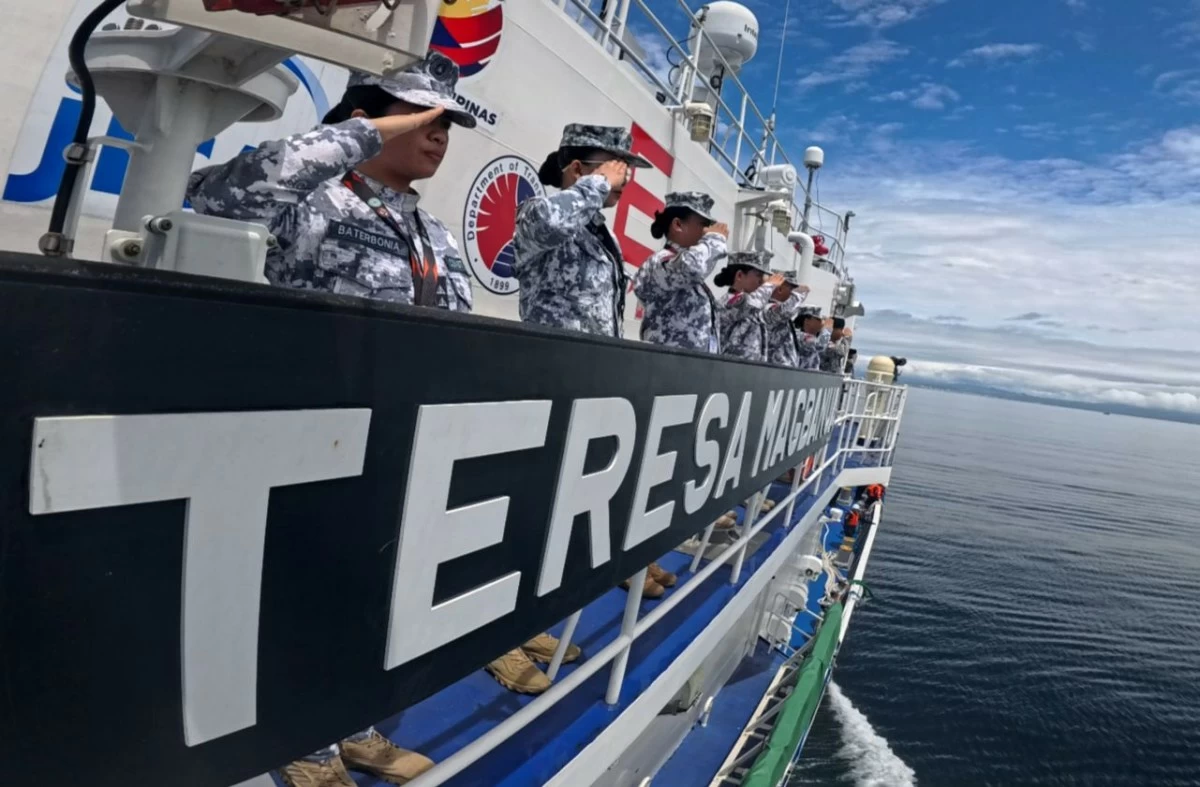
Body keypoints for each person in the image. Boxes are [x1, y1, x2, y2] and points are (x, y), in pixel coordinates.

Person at [186, 53, 575, 786]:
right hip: (312, 443)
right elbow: (218, 198)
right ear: (372, 115)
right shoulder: (314, 199)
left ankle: (353, 726)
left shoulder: (433, 236)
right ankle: (300, 743)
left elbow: (459, 346)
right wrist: (363, 130)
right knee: (304, 595)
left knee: (371, 600)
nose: (439, 137)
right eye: (425, 120)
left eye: (448, 126)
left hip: (404, 449)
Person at [513, 124, 651, 337]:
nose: (622, 179)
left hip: (594, 363)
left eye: (626, 171)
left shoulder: (605, 235)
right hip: (550, 362)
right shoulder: (536, 211)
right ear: (577, 169)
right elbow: (551, 223)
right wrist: (601, 182)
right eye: (615, 168)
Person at [632, 191, 728, 352]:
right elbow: (691, 267)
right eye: (703, 224)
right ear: (678, 225)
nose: (707, 232)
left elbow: (698, 268)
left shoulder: (684, 264)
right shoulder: (661, 262)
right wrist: (715, 239)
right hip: (669, 364)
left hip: (688, 366)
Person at [714, 250, 776, 362]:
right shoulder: (731, 300)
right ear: (739, 275)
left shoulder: (754, 304)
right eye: (758, 275)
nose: (762, 282)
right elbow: (750, 304)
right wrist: (770, 286)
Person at [762, 270, 810, 368]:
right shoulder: (767, 308)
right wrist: (799, 294)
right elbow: (784, 311)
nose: (794, 294)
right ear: (780, 289)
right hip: (773, 371)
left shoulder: (784, 317)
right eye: (792, 290)